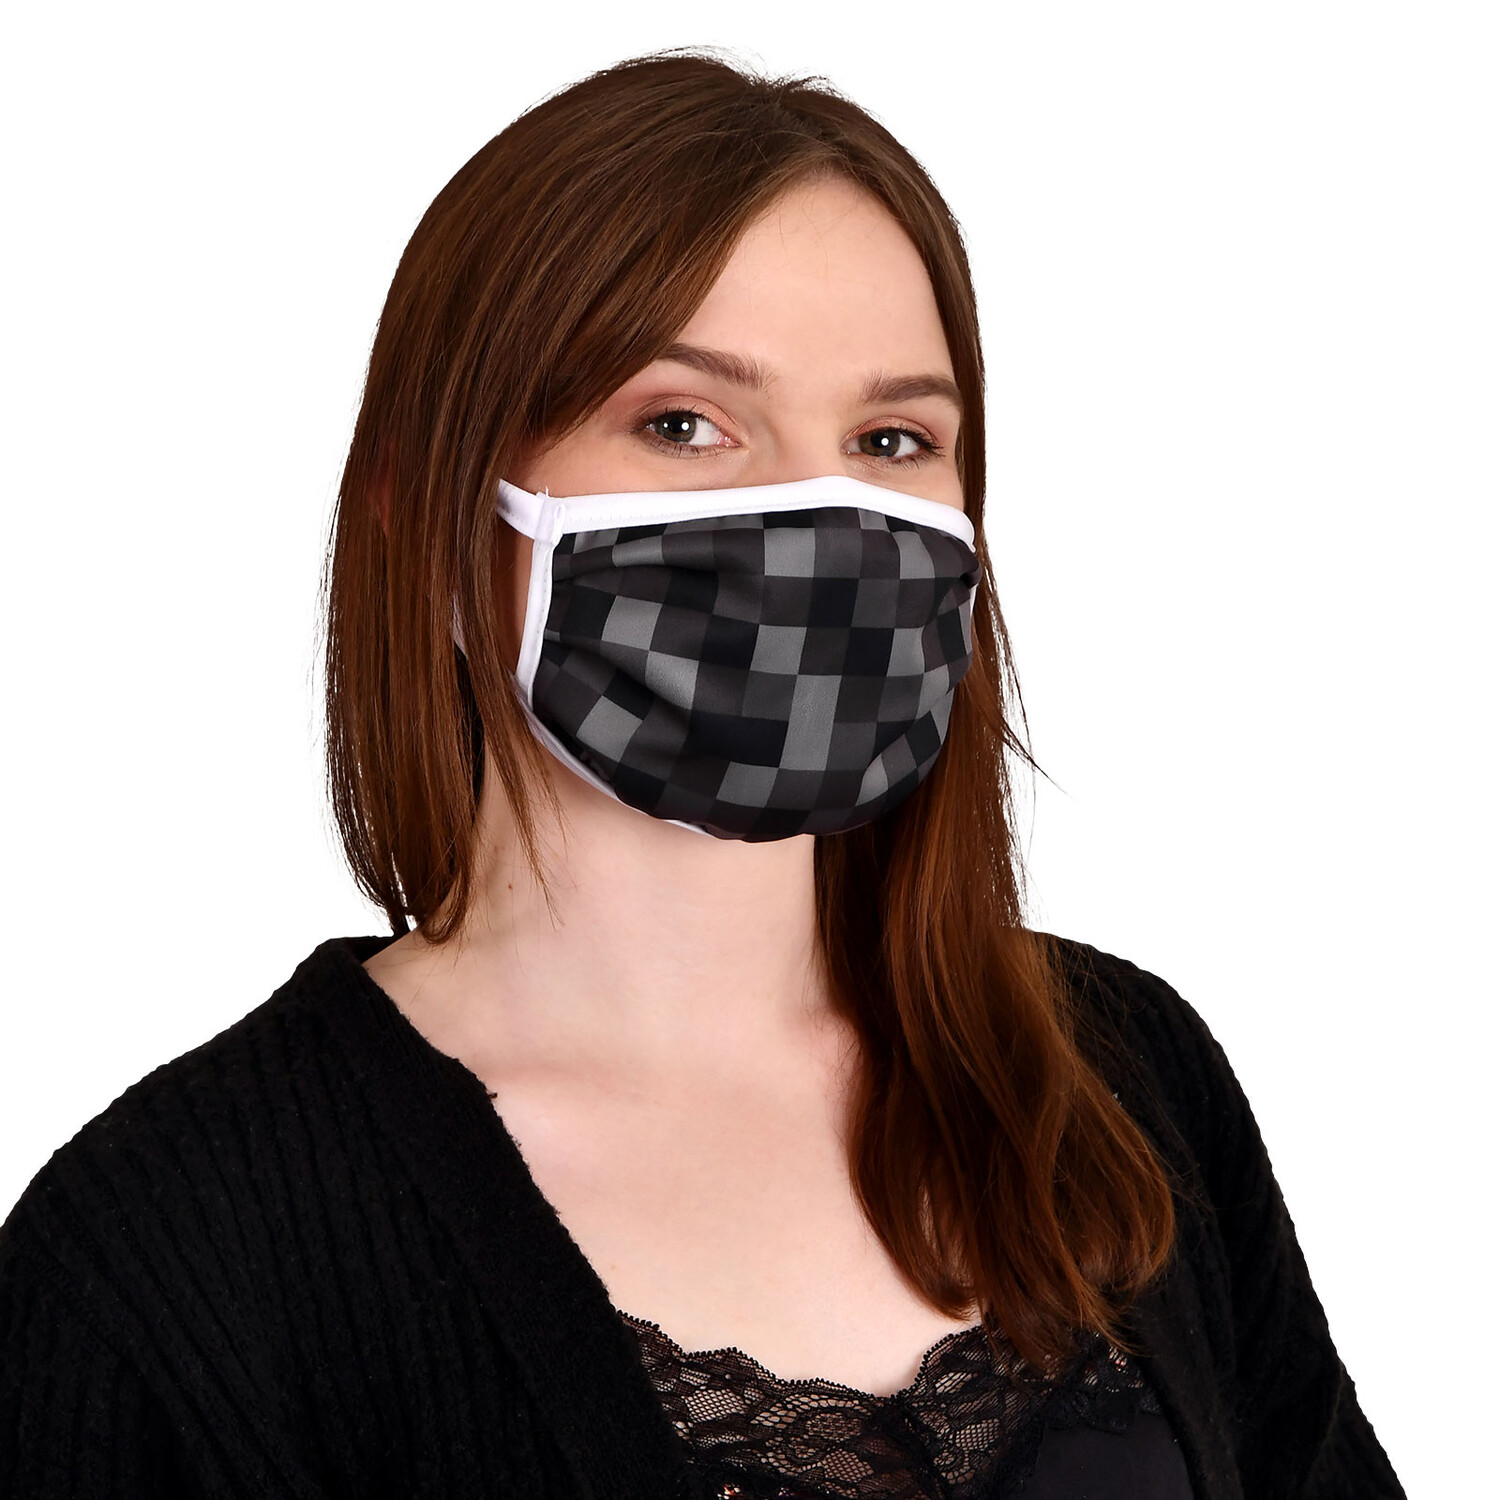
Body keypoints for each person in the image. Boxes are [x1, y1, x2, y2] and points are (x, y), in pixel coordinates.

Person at [0, 47, 1404, 1500]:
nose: (823, 516)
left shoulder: (1121, 1078)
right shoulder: (170, 1255)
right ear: (437, 522)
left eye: (892, 439)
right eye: (684, 424)